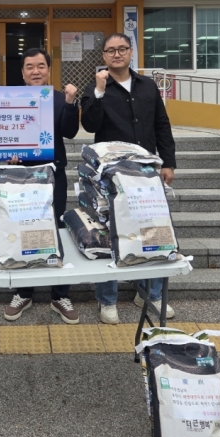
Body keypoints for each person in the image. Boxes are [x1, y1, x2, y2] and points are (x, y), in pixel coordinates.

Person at [81, 32, 177, 325]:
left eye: (122, 48)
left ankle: (151, 293)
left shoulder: (147, 86)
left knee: (153, 230)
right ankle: (107, 299)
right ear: (103, 56)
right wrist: (98, 92)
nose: (117, 54)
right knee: (109, 232)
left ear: (131, 52)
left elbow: (161, 124)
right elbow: (90, 125)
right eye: (111, 50)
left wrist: (168, 162)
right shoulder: (95, 87)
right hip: (110, 174)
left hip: (146, 172)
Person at [3, 48, 81, 324]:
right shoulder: (9, 99)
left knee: (55, 229)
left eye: (40, 66)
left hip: (53, 175)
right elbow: (1, 132)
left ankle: (60, 294)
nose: (35, 71)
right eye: (29, 67)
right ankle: (23, 292)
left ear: (49, 70)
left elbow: (70, 132)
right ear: (22, 72)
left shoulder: (59, 98)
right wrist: (6, 153)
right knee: (22, 229)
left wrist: (70, 103)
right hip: (20, 175)